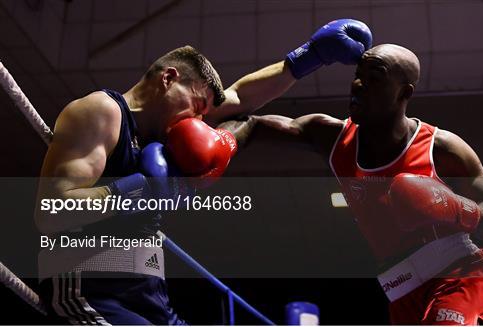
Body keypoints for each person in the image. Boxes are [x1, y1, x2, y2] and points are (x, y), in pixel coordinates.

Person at [34, 18, 373, 325]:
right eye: (196, 107)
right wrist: (138, 189)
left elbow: (240, 98)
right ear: (169, 79)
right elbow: (51, 211)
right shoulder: (103, 112)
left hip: (149, 296)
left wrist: (310, 56)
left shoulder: (161, 136)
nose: (196, 123)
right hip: (89, 291)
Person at [217, 43, 483, 325]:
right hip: (401, 292)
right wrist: (220, 143)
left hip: (461, 278)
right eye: (358, 74)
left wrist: (458, 208)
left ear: (404, 93)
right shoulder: (333, 137)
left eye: (374, 77)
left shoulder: (440, 148)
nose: (358, 85)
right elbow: (252, 123)